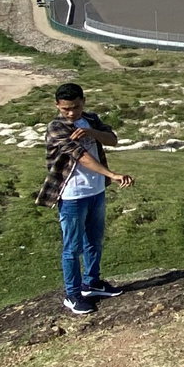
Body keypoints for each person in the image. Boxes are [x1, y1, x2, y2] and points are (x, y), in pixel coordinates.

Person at [35, 83, 133, 315]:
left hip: (95, 191)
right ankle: (73, 294)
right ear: (57, 106)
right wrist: (113, 175)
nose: (71, 113)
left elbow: (112, 139)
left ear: (84, 102)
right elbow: (81, 156)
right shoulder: (56, 128)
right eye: (66, 109)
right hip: (72, 195)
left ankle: (92, 283)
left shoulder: (90, 118)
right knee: (72, 247)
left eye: (76, 107)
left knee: (94, 240)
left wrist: (90, 132)